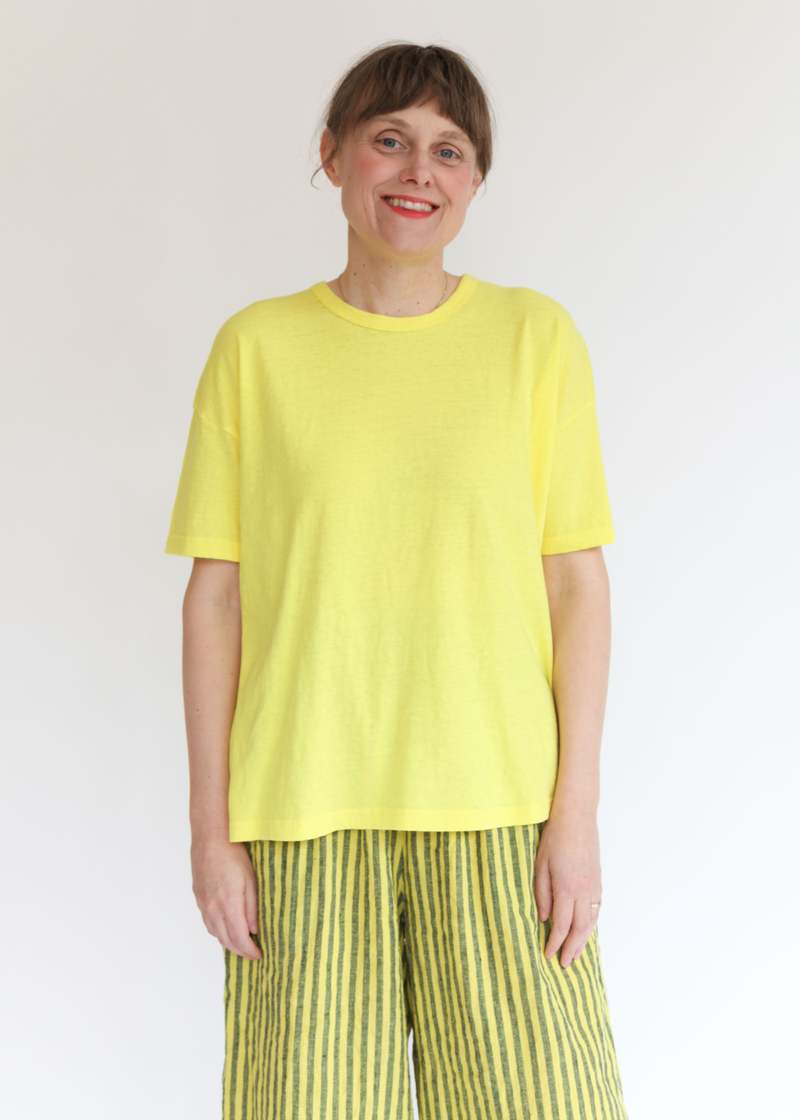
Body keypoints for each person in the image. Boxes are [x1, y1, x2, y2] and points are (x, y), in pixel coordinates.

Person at [164, 40, 628, 1120]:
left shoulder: (534, 340)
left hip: (501, 809)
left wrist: (575, 814)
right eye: (389, 140)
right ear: (333, 156)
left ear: (474, 179)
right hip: (301, 809)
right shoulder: (256, 349)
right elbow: (216, 600)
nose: (418, 171)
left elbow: (575, 584)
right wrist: (210, 832)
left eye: (448, 150)